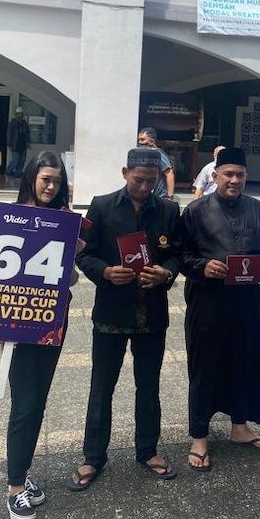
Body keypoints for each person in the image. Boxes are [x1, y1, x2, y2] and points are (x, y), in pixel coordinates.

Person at [68, 147, 181, 490]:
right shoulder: (101, 206)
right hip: (111, 311)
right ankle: (93, 457)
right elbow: (84, 253)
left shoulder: (168, 210)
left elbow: (177, 253)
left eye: (152, 181)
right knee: (102, 386)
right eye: (139, 180)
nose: (145, 187)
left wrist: (165, 272)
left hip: (152, 313)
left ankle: (147, 450)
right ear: (124, 172)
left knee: (148, 385)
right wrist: (104, 271)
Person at [177, 147, 260, 471]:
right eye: (228, 174)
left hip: (248, 302)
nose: (234, 180)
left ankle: (240, 427)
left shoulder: (258, 211)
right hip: (208, 303)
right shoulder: (195, 211)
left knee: (244, 362)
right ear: (215, 175)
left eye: (240, 175)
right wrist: (203, 266)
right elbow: (181, 256)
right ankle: (199, 437)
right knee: (205, 367)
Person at [5, 151, 81, 519]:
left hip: (53, 318)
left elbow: (70, 276)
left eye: (56, 180)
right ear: (31, 178)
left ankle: (22, 473)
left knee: (37, 402)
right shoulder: (9, 218)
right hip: (18, 321)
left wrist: (75, 242)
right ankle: (15, 489)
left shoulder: (64, 221)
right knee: (25, 403)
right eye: (44, 178)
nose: (51, 186)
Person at [136, 127, 176, 200]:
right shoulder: (141, 154)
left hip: (159, 197)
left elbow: (169, 174)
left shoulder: (158, 154)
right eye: (139, 139)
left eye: (143, 139)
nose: (140, 142)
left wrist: (170, 196)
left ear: (151, 142)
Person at [6, 107, 31, 178]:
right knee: (15, 161)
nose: (20, 115)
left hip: (23, 145)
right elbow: (9, 134)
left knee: (22, 161)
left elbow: (27, 133)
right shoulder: (12, 123)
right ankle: (8, 171)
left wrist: (28, 142)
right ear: (16, 114)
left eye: (21, 113)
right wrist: (9, 144)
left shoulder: (24, 123)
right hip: (15, 145)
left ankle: (17, 174)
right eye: (19, 113)